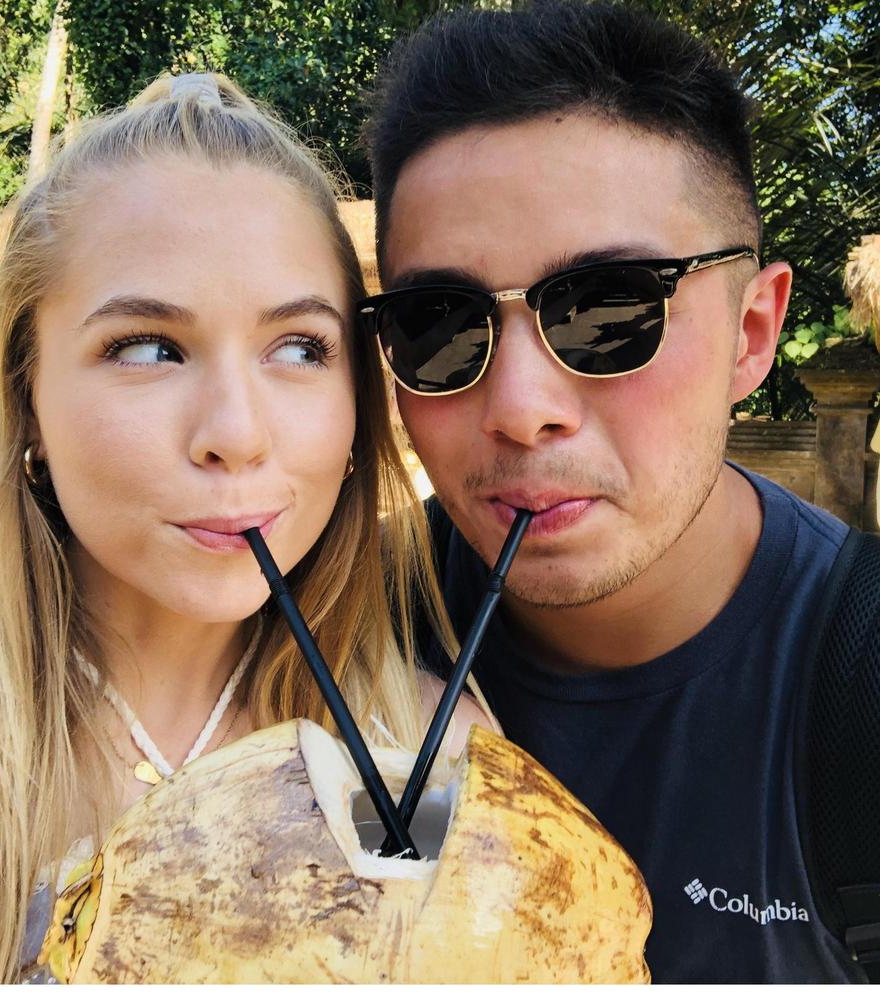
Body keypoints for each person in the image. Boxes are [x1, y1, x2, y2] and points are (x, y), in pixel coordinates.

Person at [0, 72, 492, 984]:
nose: (236, 434)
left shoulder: (432, 755)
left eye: (299, 348)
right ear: (27, 398)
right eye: (147, 348)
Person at [361, 0, 868, 984]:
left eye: (607, 310)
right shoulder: (320, 636)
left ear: (752, 333)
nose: (521, 409)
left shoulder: (861, 689)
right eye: (440, 325)